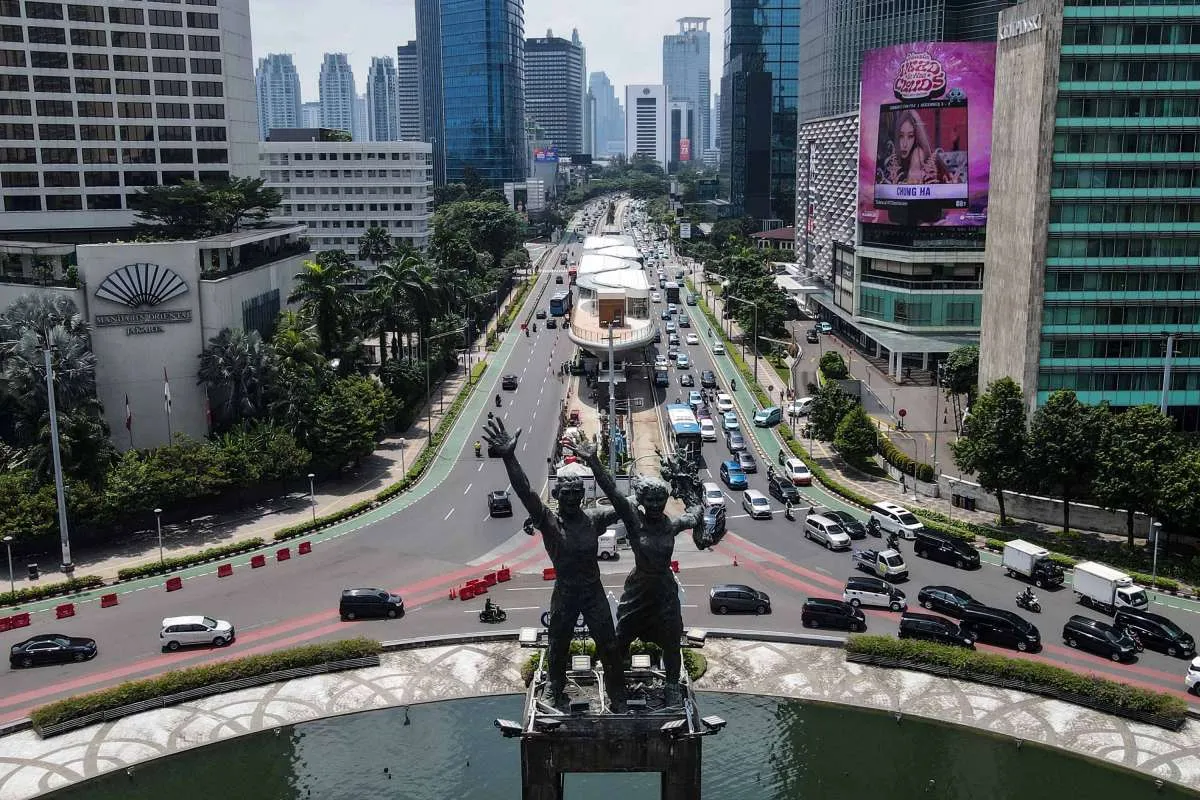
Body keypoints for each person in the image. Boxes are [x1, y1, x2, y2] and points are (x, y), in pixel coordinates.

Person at [482, 419, 625, 709]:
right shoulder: (548, 521)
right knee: (557, 645)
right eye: (565, 493)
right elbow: (524, 492)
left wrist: (595, 463)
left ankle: (617, 692)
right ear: (557, 495)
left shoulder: (594, 519)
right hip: (565, 591)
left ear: (582, 496)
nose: (571, 498)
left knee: (609, 646)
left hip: (593, 590)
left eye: (576, 493)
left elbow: (623, 504)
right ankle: (554, 687)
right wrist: (509, 457)